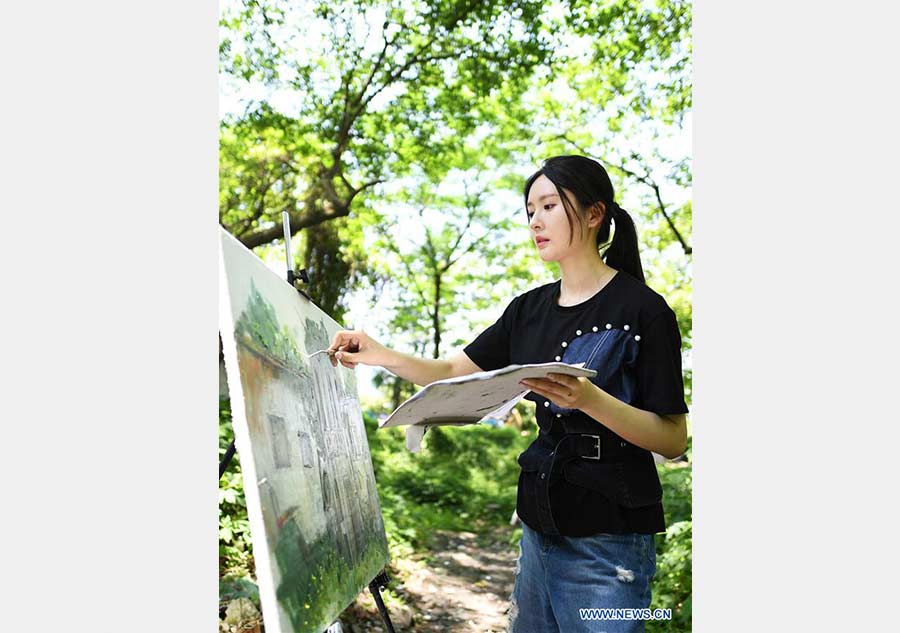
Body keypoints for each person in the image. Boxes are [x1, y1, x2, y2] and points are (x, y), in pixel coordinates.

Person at [327, 155, 689, 632]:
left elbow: (673, 439)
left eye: (549, 206)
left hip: (610, 542)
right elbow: (450, 372)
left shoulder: (645, 311)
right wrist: (379, 353)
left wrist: (589, 400)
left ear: (594, 213)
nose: (535, 221)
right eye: (530, 210)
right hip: (538, 528)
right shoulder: (527, 310)